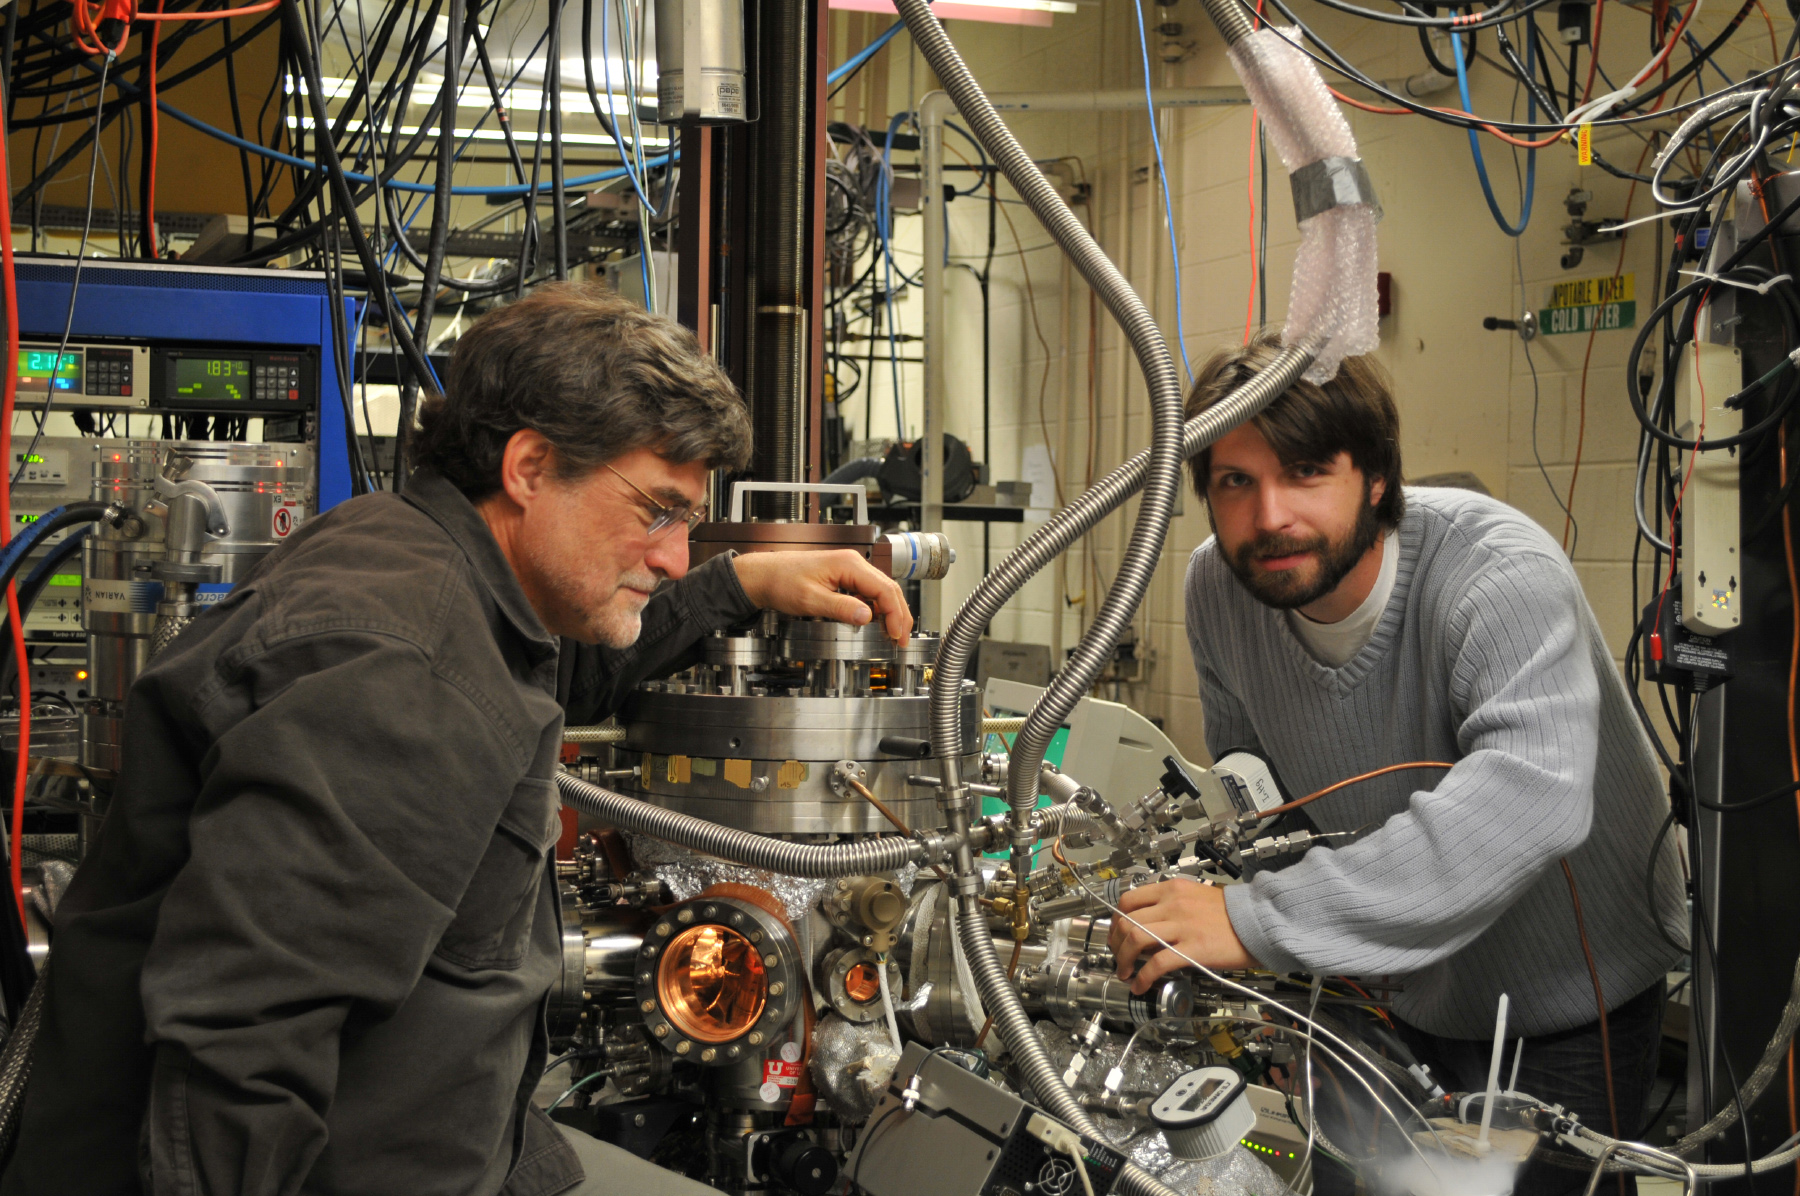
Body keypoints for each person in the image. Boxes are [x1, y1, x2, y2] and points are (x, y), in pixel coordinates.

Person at [1, 283, 911, 1196]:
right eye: (658, 512)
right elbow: (241, 1043)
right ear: (529, 466)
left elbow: (557, 671)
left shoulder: (414, 558)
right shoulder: (407, 675)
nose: (676, 555)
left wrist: (742, 582)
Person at [1109, 333, 1686, 1196]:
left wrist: (1258, 921)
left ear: (1377, 478)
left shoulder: (1496, 574)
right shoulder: (1218, 590)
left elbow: (1530, 800)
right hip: (1384, 986)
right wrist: (1292, 957)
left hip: (1562, 998)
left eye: (1306, 471)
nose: (1269, 517)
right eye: (1236, 482)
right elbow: (1257, 789)